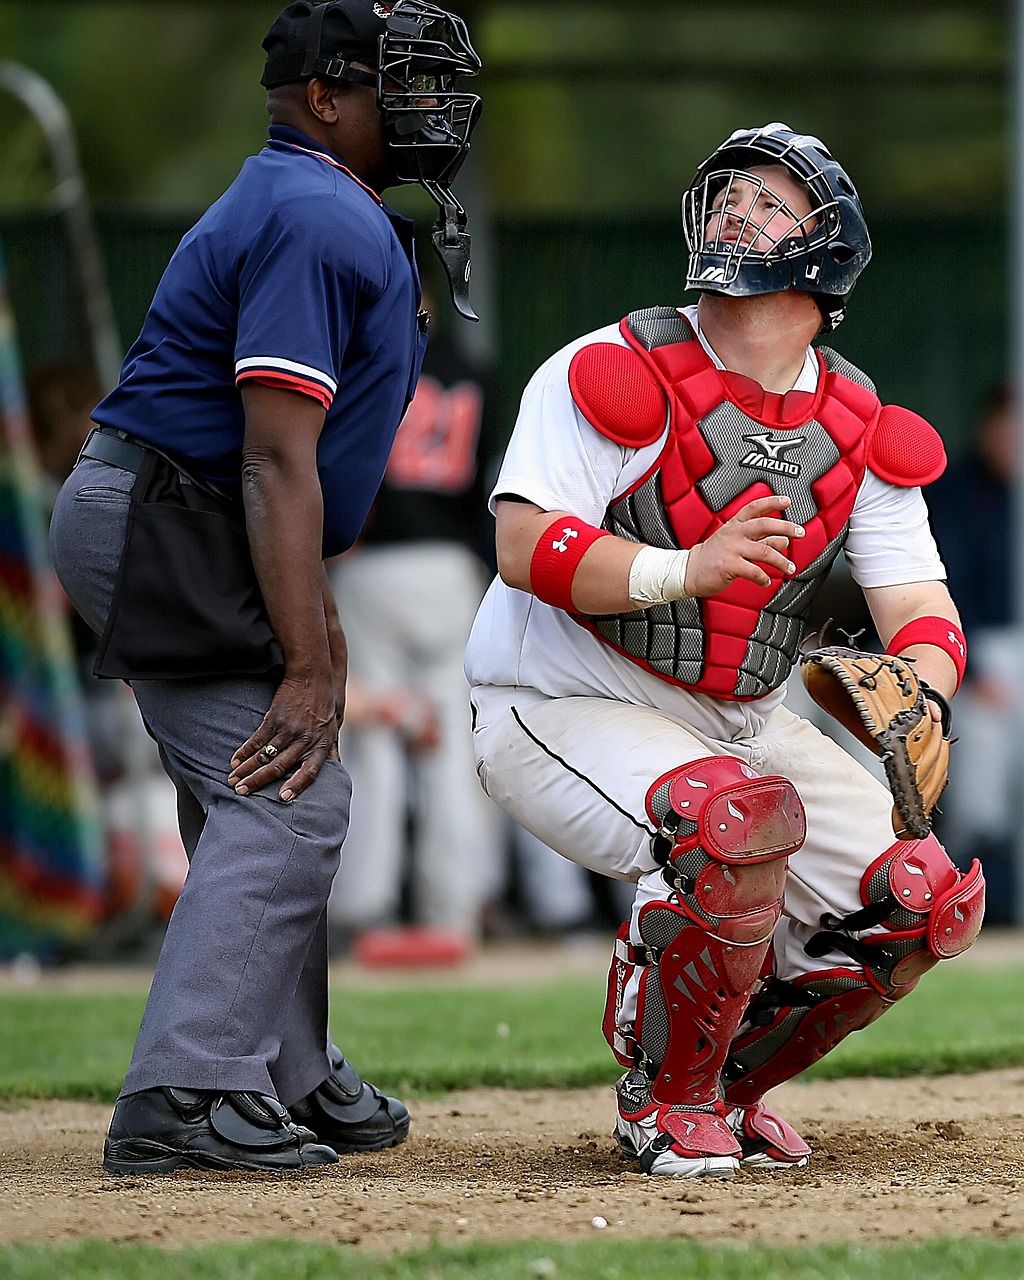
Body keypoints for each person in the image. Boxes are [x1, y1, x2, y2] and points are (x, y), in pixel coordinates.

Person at [465, 122, 985, 1179]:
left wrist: (919, 694)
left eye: (773, 200)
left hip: (738, 718)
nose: (740, 208)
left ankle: (729, 1086)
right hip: (556, 700)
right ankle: (667, 1098)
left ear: (826, 251)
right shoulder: (612, 368)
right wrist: (683, 569)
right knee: (732, 823)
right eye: (730, 192)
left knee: (919, 897)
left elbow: (917, 602)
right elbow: (524, 546)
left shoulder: (860, 419)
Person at [48, 0, 482, 1174]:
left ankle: (285, 1067)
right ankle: (185, 1089)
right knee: (290, 799)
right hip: (173, 513)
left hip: (190, 515)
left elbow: (292, 477)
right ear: (326, 100)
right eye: (402, 84)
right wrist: (306, 656)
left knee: (272, 786)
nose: (432, 108)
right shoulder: (308, 211)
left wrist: (318, 633)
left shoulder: (322, 202)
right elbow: (275, 456)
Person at [327, 285, 502, 954]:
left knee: (374, 734)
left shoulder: (359, 360)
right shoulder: (473, 368)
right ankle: (455, 906)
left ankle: (366, 904)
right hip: (448, 566)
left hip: (372, 565)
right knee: (453, 737)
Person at [927, 383, 1016, 920]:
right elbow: (942, 591)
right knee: (980, 740)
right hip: (976, 653)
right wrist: (975, 666)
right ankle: (979, 880)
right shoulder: (957, 493)